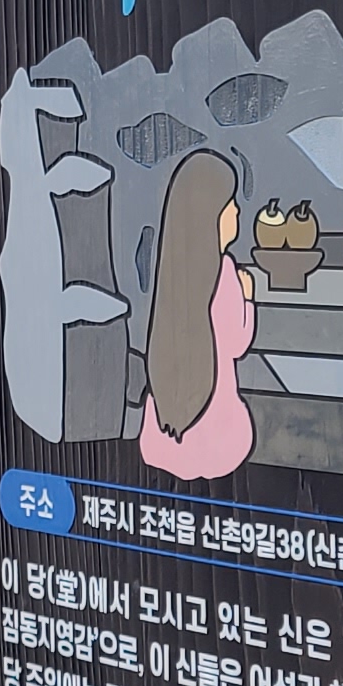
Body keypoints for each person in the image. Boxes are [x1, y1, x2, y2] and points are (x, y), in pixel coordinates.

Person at [138, 148, 255, 481]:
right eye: (230, 203)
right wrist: (247, 297)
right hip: (220, 444)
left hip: (161, 442)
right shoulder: (225, 272)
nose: (236, 211)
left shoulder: (172, 271)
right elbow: (237, 342)